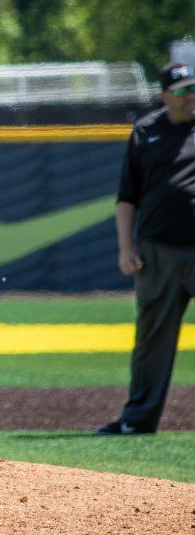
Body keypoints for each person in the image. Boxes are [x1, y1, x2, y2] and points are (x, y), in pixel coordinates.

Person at [97, 62, 195, 436]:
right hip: (159, 250)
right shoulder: (147, 132)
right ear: (165, 95)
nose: (192, 97)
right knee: (153, 339)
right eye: (184, 90)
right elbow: (127, 197)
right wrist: (126, 248)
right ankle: (137, 420)